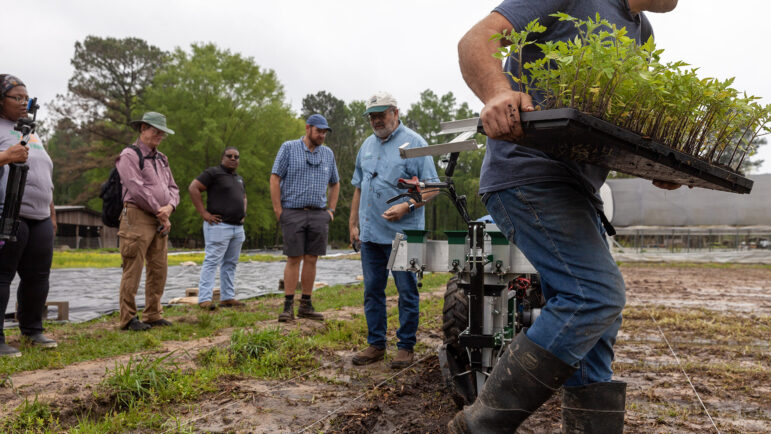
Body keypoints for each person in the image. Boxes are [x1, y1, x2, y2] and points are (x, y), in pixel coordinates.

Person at [449, 1, 678, 432]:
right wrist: (498, 92)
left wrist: (657, 166)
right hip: (528, 173)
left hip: (579, 190)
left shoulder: (643, 33)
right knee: (594, 295)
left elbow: (614, 123)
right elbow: (476, 41)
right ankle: (478, 426)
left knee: (598, 323)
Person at [348, 92, 439, 369]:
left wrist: (407, 206)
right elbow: (359, 185)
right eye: (372, 116)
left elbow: (433, 188)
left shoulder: (416, 143)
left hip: (404, 233)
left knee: (406, 290)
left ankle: (405, 346)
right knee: (372, 289)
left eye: (381, 114)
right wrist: (353, 223)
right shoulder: (366, 145)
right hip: (371, 234)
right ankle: (376, 344)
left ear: (395, 113)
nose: (376, 120)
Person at [0, 74, 57, 357]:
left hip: (40, 216)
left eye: (27, 98)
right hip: (9, 213)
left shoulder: (30, 130)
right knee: (2, 275)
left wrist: (51, 212)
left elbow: (44, 171)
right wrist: (5, 157)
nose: (24, 103)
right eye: (17, 98)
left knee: (37, 277)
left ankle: (32, 330)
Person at [270, 114, 340, 322]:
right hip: (293, 211)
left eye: (325, 132)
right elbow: (275, 178)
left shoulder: (327, 154)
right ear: (308, 128)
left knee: (312, 258)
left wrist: (331, 210)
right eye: (319, 131)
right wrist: (278, 210)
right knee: (294, 258)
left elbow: (335, 183)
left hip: (319, 213)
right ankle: (288, 306)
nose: (322, 135)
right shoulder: (289, 148)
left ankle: (306, 305)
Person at [116, 112, 179, 331]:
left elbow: (174, 188)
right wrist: (159, 210)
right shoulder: (129, 155)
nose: (160, 136)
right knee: (133, 267)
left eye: (162, 132)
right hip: (137, 215)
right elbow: (135, 187)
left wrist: (169, 207)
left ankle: (153, 313)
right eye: (156, 131)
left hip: (161, 217)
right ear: (143, 128)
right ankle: (128, 318)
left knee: (159, 267)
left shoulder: (162, 159)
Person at [189, 147, 247, 310]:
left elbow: (243, 196)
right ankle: (205, 299)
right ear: (222, 158)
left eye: (236, 156)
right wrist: (204, 214)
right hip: (218, 226)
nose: (233, 159)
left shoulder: (238, 178)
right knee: (212, 261)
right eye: (229, 156)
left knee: (230, 263)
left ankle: (227, 297)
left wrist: (244, 213)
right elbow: (193, 188)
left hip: (237, 227)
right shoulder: (213, 173)